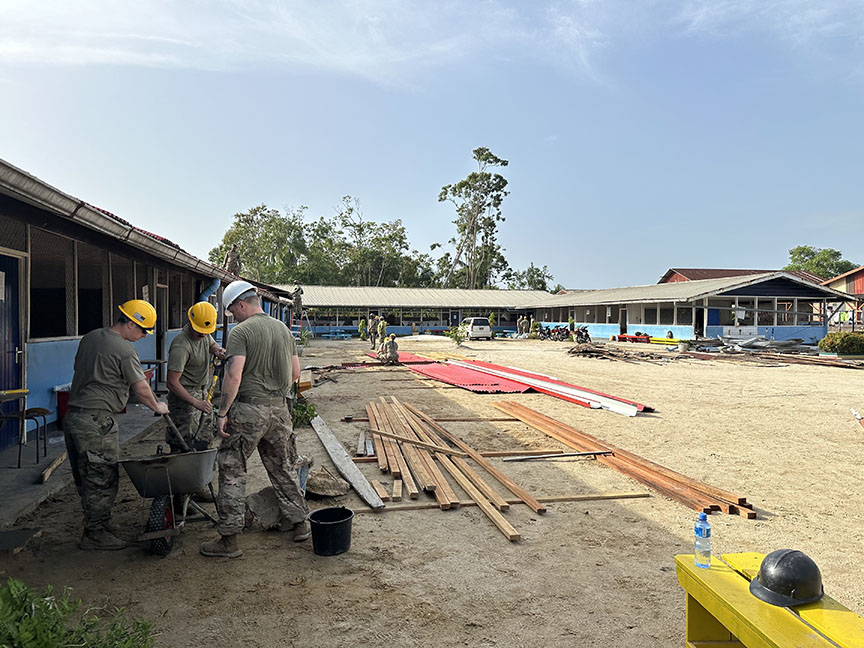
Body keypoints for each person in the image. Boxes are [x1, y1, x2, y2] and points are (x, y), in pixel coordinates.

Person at [200, 280, 310, 558]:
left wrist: (222, 412)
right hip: (280, 411)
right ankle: (299, 523)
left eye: (232, 311)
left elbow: (234, 376)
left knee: (232, 469)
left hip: (249, 410)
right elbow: (296, 374)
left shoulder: (242, 332)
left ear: (240, 304)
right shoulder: (284, 330)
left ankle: (229, 539)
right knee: (282, 466)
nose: (233, 317)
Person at [65, 299, 169, 550]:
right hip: (97, 421)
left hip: (74, 417)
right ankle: (95, 535)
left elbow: (97, 373)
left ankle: (96, 524)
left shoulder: (90, 338)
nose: (144, 336)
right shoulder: (124, 350)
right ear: (131, 323)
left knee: (85, 476)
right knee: (102, 477)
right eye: (143, 330)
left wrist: (126, 378)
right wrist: (157, 406)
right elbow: (142, 389)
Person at [166, 301, 226, 453]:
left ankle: (200, 467)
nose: (203, 335)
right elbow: (172, 383)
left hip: (201, 390)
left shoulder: (204, 333)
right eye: (200, 332)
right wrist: (195, 403)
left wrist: (218, 350)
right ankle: (182, 470)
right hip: (184, 396)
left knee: (204, 433)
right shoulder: (181, 346)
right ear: (191, 323)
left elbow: (211, 344)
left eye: (206, 332)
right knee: (184, 438)